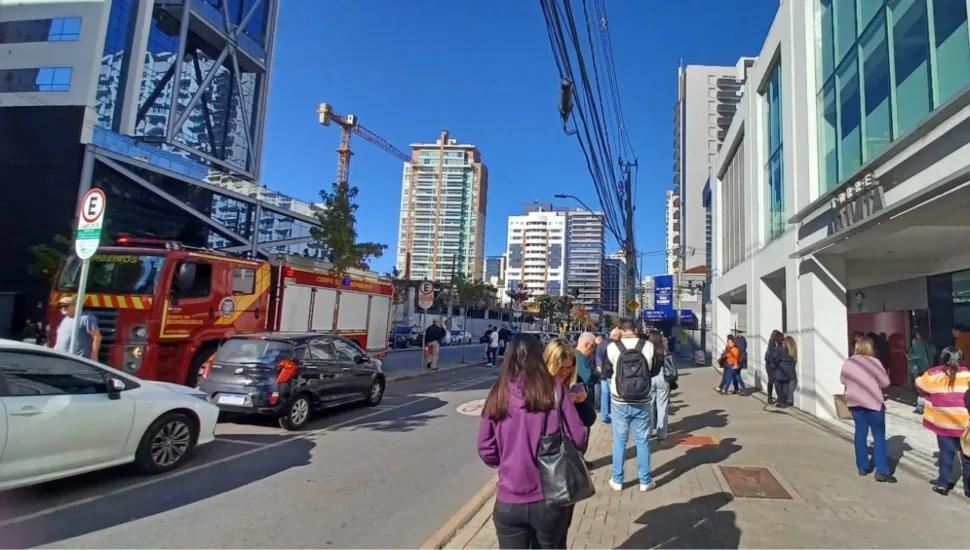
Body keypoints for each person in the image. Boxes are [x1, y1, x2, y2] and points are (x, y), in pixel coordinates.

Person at [478, 336, 588, 549]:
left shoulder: (499, 391)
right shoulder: (555, 389)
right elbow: (579, 437)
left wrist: (509, 461)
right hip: (549, 495)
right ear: (540, 356)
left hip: (509, 500)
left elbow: (485, 448)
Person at [541, 338, 595, 548]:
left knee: (561, 527)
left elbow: (588, 420)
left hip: (565, 466)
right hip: (542, 463)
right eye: (561, 368)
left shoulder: (574, 381)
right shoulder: (538, 387)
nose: (564, 373)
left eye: (569, 368)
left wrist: (581, 403)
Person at [604, 319, 659, 492]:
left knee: (620, 440)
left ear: (620, 330)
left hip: (619, 399)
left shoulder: (613, 347)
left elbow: (606, 371)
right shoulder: (648, 345)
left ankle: (617, 480)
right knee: (642, 440)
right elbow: (655, 369)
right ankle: (645, 481)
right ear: (635, 329)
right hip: (642, 399)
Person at [915, 346, 970, 496]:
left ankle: (943, 483)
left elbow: (919, 385)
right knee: (967, 457)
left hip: (943, 424)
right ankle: (968, 488)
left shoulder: (933, 375)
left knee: (946, 454)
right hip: (966, 425)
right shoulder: (968, 374)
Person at [840, 336, 896, 483]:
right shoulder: (875, 362)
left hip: (855, 403)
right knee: (878, 436)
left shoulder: (848, 362)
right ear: (871, 348)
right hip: (873, 403)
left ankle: (863, 466)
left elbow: (842, 380)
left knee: (860, 434)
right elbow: (885, 382)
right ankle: (881, 470)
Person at [52, 295, 101, 360]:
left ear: (75, 306)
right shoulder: (64, 320)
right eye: (60, 306)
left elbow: (97, 337)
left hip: (78, 360)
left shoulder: (86, 318)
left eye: (66, 305)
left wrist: (94, 356)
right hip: (61, 358)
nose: (63, 308)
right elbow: (59, 341)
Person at [647, 332, 671, 441]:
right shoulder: (664, 350)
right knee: (662, 406)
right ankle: (662, 434)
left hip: (650, 378)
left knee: (649, 406)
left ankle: (648, 431)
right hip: (663, 378)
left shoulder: (648, 350)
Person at [595, 328, 621, 425]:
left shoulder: (601, 344)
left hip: (603, 374)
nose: (620, 337)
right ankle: (614, 416)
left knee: (604, 395)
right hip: (612, 373)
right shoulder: (615, 345)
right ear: (614, 335)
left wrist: (600, 370)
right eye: (619, 335)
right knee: (613, 395)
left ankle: (604, 416)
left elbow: (598, 359)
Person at [908, 330, 935, 414]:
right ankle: (927, 406)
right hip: (927, 368)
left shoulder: (917, 343)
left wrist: (909, 356)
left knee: (920, 389)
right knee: (926, 388)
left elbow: (914, 356)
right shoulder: (927, 344)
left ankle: (920, 407)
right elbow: (934, 351)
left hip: (918, 368)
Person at [774, 336, 798, 407]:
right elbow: (794, 361)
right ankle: (785, 402)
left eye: (784, 341)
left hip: (781, 370)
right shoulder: (793, 350)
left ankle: (781, 401)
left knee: (778, 384)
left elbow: (776, 359)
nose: (783, 342)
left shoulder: (782, 350)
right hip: (790, 371)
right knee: (786, 386)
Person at [575, 332, 599, 399]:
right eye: (593, 346)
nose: (593, 350)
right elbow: (588, 378)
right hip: (584, 399)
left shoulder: (573, 354)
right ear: (587, 345)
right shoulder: (581, 358)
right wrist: (597, 373)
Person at [764, 330, 784, 405]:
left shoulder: (779, 345)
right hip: (771, 366)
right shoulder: (771, 346)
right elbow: (767, 358)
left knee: (777, 381)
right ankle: (770, 397)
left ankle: (778, 398)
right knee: (772, 381)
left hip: (775, 365)